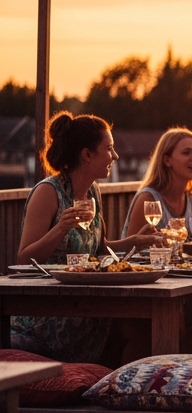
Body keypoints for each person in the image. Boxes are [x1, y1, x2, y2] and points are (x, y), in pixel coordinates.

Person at [14, 113, 163, 362]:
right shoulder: (48, 192)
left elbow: (100, 248)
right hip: (49, 311)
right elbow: (23, 258)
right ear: (87, 155)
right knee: (137, 327)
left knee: (143, 325)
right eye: (109, 149)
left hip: (87, 302)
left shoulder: (93, 191)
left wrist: (135, 241)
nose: (115, 156)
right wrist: (60, 228)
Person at [122, 127, 192, 240]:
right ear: (167, 161)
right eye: (186, 153)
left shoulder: (190, 197)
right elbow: (129, 250)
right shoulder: (148, 199)